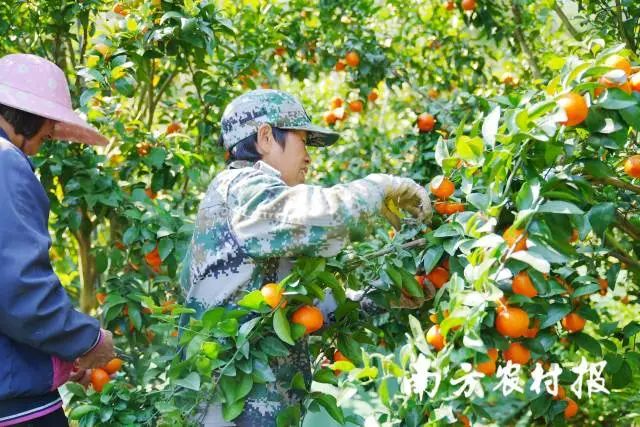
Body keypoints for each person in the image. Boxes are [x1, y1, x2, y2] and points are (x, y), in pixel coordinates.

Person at [181, 89, 432, 426]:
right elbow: (321, 214)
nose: (309, 157)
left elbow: (301, 316)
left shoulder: (254, 206)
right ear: (266, 137)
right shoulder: (242, 187)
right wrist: (380, 187)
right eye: (302, 141)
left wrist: (382, 296)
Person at [0, 53, 115, 427]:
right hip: (17, 407)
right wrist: (86, 341)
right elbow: (19, 291)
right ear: (28, 114)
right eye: (49, 121)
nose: (50, 133)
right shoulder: (6, 163)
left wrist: (61, 360)